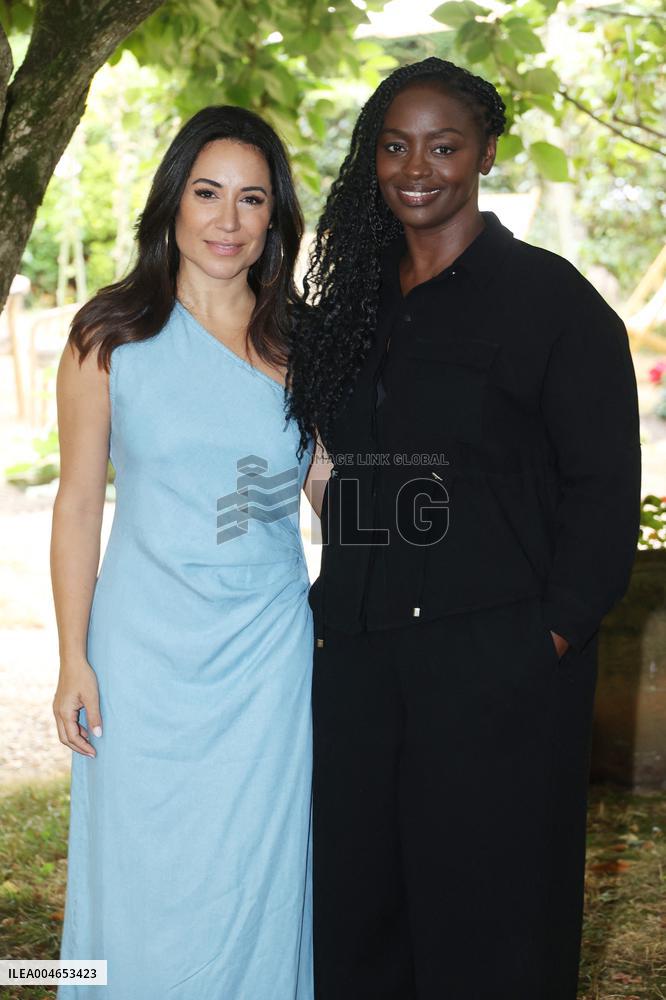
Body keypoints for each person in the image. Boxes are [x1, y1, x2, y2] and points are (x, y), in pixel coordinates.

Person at [286, 57, 641, 1000]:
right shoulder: (351, 311)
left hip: (499, 672)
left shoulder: (553, 303)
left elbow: (605, 493)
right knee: (360, 925)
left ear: (484, 151)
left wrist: (546, 638)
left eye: (443, 145)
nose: (418, 166)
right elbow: (345, 476)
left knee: (493, 930)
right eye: (395, 145)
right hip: (357, 670)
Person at [51, 105, 316, 999]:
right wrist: (71, 657)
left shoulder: (302, 344)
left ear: (274, 220)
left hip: (268, 659)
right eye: (208, 193)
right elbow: (80, 500)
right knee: (141, 874)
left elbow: (334, 494)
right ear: (173, 199)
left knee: (258, 876)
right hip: (143, 655)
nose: (227, 222)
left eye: (252, 200)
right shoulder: (108, 334)